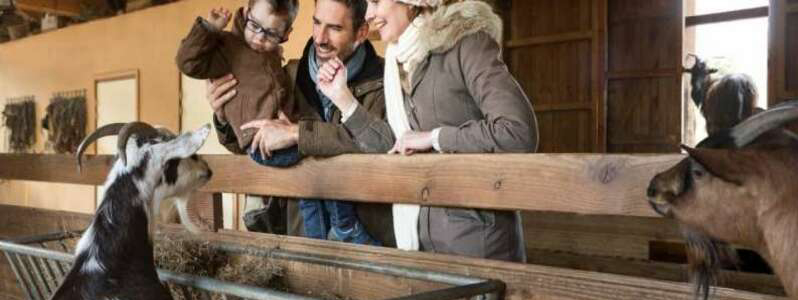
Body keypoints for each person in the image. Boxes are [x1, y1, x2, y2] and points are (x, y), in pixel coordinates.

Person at [314, 0, 538, 262]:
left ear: (411, 3)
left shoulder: (467, 44)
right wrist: (343, 99)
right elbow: (393, 147)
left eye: (376, 2)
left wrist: (435, 137)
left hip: (477, 243)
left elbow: (517, 131)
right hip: (420, 243)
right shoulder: (397, 61)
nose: (369, 14)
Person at [206, 0, 395, 246]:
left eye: (335, 28)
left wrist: (299, 134)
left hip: (368, 244)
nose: (320, 38)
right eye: (317, 23)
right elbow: (249, 145)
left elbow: (384, 144)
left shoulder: (388, 80)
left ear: (361, 32)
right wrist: (223, 116)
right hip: (299, 237)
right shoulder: (288, 75)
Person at [176, 0, 297, 156]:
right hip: (255, 138)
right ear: (246, 13)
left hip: (281, 130)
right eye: (255, 25)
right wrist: (208, 29)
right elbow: (187, 62)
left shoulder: (271, 53)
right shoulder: (226, 48)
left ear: (286, 34)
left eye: (272, 34)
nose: (260, 38)